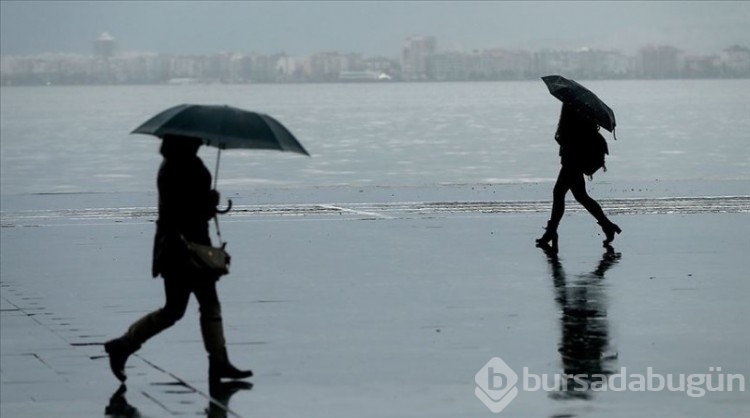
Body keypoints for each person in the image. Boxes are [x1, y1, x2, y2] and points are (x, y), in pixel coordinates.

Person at [104, 135, 252, 385]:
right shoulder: (180, 168)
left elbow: (186, 208)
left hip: (177, 248)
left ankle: (125, 345)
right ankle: (217, 362)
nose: (201, 142)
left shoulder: (176, 165)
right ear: (185, 142)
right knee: (196, 305)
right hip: (184, 249)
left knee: (182, 308)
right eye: (196, 140)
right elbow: (186, 212)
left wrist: (207, 203)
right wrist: (209, 203)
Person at [536, 105, 621, 250]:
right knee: (580, 196)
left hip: (572, 159)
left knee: (561, 193)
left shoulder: (573, 110)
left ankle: (551, 232)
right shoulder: (582, 111)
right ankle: (607, 226)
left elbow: (570, 136)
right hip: (573, 159)